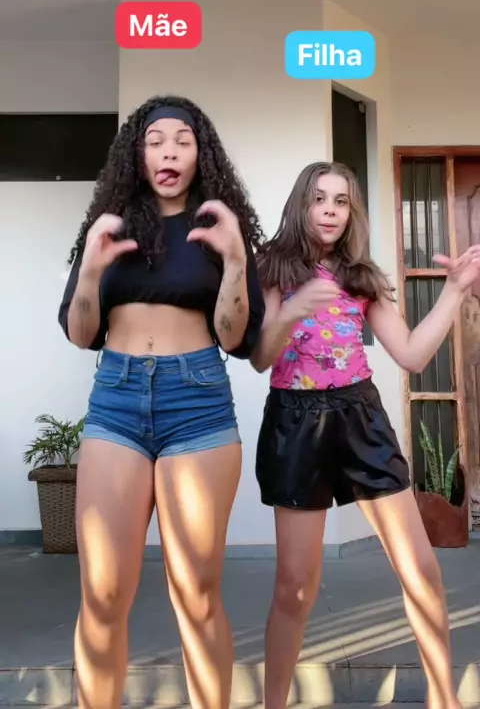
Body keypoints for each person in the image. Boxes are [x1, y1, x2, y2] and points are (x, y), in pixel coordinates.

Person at [58, 95, 265, 709]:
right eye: (155, 141)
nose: (168, 151)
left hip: (196, 404)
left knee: (196, 594)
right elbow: (81, 334)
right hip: (117, 401)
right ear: (138, 153)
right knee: (102, 593)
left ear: (201, 154)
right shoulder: (109, 226)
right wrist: (90, 270)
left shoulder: (219, 228)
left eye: (182, 140)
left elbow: (237, 339)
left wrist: (235, 259)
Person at [251, 161, 480, 709]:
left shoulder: (361, 276)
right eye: (319, 199)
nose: (330, 211)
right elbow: (260, 356)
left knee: (421, 570)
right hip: (295, 422)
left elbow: (412, 354)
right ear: (301, 204)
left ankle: (444, 699)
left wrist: (453, 292)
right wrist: (293, 310)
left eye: (342, 201)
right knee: (295, 588)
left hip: (360, 417)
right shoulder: (273, 267)